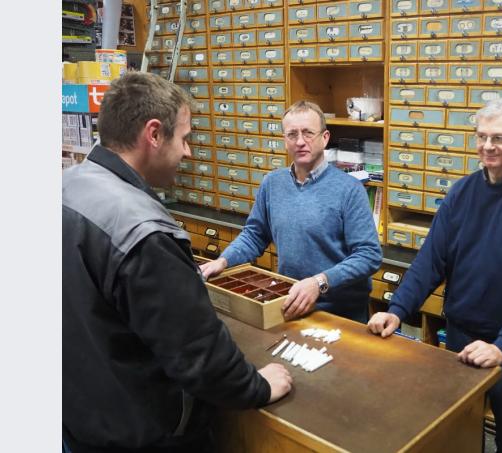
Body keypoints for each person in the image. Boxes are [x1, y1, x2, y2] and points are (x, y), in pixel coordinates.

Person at [63, 72, 293, 453]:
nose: (189, 153)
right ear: (154, 134)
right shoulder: (142, 232)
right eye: (184, 138)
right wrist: (257, 386)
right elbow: (199, 355)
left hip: (80, 421)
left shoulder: (67, 186)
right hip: (142, 433)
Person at [368, 98, 502, 453]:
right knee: (460, 427)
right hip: (461, 335)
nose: (488, 146)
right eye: (481, 136)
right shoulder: (462, 193)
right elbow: (430, 261)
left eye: (499, 138)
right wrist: (397, 310)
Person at [201, 101, 382, 323]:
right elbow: (254, 235)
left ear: (325, 138)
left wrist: (320, 282)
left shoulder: (350, 190)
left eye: (308, 133)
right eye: (292, 134)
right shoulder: (272, 183)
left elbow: (368, 255)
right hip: (291, 305)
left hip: (340, 314)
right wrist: (223, 261)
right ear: (285, 140)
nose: (300, 141)